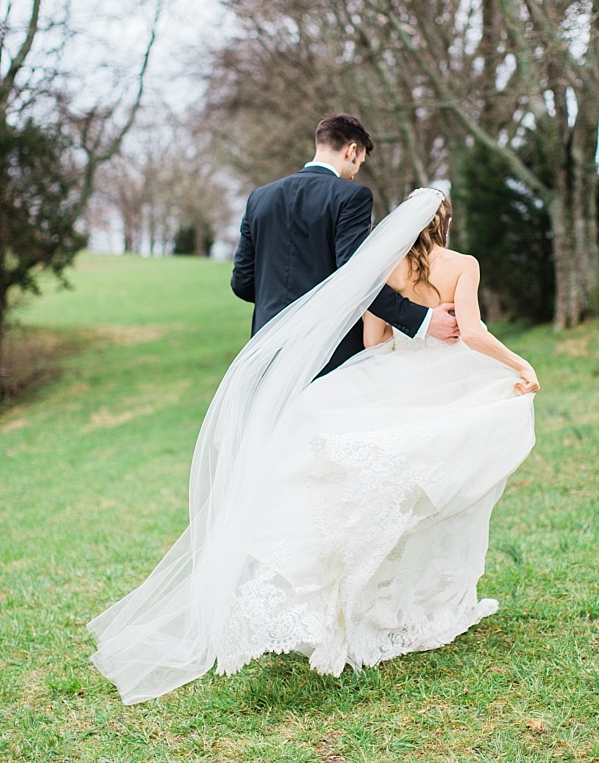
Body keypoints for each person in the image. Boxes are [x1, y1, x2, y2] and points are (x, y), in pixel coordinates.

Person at [88, 187, 537, 703]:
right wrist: (520, 365)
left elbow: (373, 343)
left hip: (385, 377)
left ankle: (356, 606)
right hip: (442, 382)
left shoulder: (384, 266)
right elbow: (474, 333)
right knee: (433, 489)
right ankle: (417, 607)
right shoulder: (462, 264)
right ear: (446, 221)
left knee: (368, 487)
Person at [231, 114, 460, 373]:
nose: (354, 173)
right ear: (352, 151)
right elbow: (357, 276)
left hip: (266, 347)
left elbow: (242, 283)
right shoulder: (351, 196)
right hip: (328, 351)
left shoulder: (259, 198)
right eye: (359, 164)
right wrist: (424, 320)